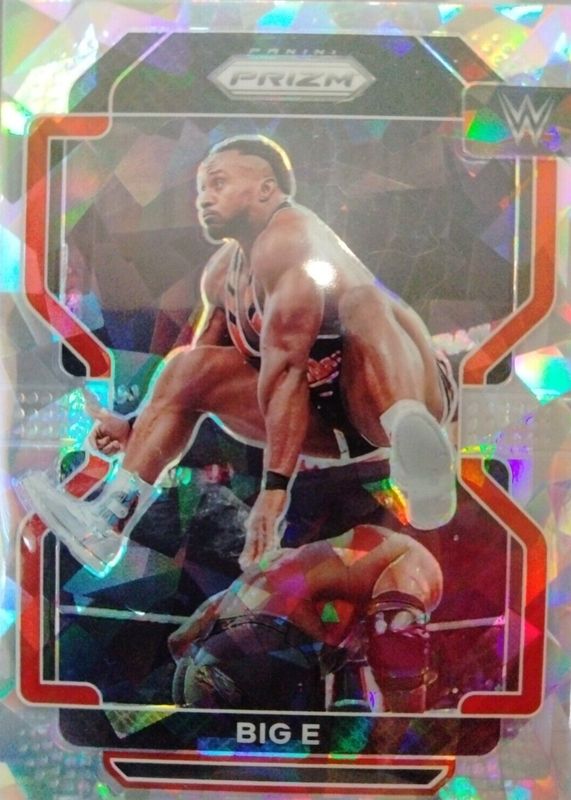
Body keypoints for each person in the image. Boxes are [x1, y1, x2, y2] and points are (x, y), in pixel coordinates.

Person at [21, 135, 457, 577]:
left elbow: (285, 370)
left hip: (402, 386)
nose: (204, 198)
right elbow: (191, 378)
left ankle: (415, 445)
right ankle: (109, 519)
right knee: (188, 366)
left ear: (267, 190)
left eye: (218, 183)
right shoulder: (221, 275)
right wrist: (134, 427)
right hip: (333, 420)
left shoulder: (291, 240)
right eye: (201, 189)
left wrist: (274, 491)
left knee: (365, 303)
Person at [168, 524, 443, 713]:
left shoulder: (282, 564)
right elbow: (394, 636)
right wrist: (409, 727)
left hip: (194, 671)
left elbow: (180, 637)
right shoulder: (411, 559)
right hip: (257, 656)